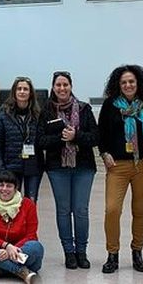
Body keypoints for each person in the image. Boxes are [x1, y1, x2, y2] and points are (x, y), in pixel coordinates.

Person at [97, 64, 143, 274]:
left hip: (142, 165)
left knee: (140, 211)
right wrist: (104, 153)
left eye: (131, 81)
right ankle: (112, 254)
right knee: (112, 210)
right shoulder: (109, 106)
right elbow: (101, 134)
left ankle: (137, 253)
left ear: (138, 83)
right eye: (124, 82)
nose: (128, 85)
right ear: (118, 84)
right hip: (118, 167)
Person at [37, 70, 97, 270]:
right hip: (57, 168)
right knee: (63, 210)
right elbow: (40, 141)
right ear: (53, 88)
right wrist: (62, 138)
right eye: (58, 85)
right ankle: (69, 252)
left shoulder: (84, 109)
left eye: (65, 84)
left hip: (84, 167)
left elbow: (95, 138)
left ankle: (82, 252)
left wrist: (76, 136)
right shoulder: (46, 111)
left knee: (81, 210)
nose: (62, 88)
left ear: (71, 86)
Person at [0, 171, 43, 283]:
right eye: (1, 185)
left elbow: (31, 234)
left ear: (16, 188)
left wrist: (11, 250)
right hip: (1, 249)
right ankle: (21, 271)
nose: (4, 189)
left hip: (23, 250)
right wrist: (6, 246)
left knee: (36, 247)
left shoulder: (27, 204)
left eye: (9, 186)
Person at [0, 77, 43, 201]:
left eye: (25, 89)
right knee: (12, 203)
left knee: (31, 202)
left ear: (30, 93)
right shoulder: (3, 117)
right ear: (14, 92)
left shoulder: (38, 115)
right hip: (11, 167)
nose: (22, 92)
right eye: (19, 89)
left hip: (33, 166)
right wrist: (1, 170)